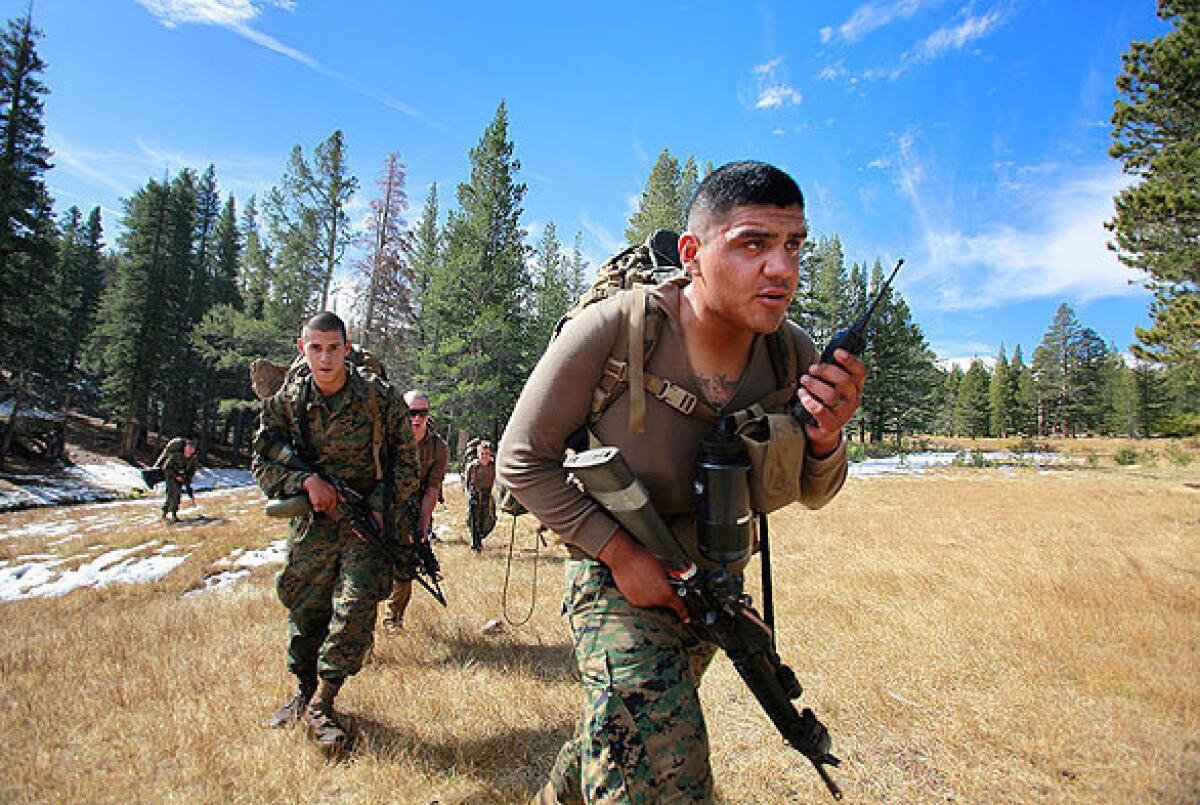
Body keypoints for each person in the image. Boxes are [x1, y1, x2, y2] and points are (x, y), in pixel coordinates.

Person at [497, 161, 866, 803]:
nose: (781, 268)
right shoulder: (614, 330)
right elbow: (522, 458)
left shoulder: (793, 353)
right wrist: (620, 556)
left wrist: (829, 437)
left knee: (622, 731)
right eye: (753, 243)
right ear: (693, 254)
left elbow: (814, 490)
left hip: (711, 585)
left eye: (793, 245)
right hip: (613, 575)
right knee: (666, 771)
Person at [252, 311, 419, 750]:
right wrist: (306, 482)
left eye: (333, 348)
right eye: (315, 348)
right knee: (305, 608)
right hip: (313, 524)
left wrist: (384, 509)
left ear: (347, 349)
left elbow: (407, 461)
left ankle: (324, 702)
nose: (325, 358)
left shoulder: (378, 398)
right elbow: (263, 460)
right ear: (302, 349)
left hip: (367, 522)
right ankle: (303, 691)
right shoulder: (287, 402)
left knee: (356, 607)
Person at [381, 389, 449, 631]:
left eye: (422, 413)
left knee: (406, 565)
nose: (416, 419)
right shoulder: (387, 439)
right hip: (382, 506)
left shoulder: (438, 447)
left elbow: (432, 489)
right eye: (411, 413)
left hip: (414, 510)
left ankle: (393, 618)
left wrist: (422, 525)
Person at [154, 437, 198, 522]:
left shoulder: (193, 459)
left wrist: (187, 480)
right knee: (172, 494)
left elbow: (192, 471)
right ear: (185, 448)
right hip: (171, 476)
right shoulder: (175, 456)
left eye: (191, 449)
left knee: (176, 495)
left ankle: (170, 513)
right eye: (188, 448)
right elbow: (166, 468)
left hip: (182, 477)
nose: (190, 450)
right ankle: (168, 514)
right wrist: (176, 476)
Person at [463, 440, 497, 552]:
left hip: (487, 495)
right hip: (475, 494)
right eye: (482, 454)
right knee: (473, 519)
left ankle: (480, 537)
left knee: (488, 519)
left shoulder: (493, 466)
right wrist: (469, 494)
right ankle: (475, 544)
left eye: (486, 454)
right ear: (478, 454)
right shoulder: (473, 466)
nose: (484, 456)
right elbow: (466, 482)